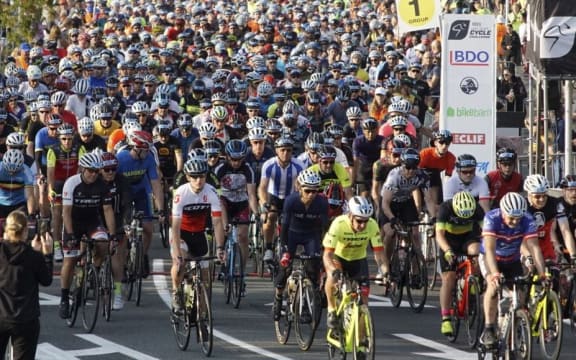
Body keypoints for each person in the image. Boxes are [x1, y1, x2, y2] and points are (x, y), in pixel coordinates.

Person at [478, 192, 547, 346]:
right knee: (493, 286)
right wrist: (495, 274)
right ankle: (489, 328)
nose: (515, 221)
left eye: (518, 218)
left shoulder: (527, 219)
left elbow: (535, 248)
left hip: (512, 258)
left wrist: (542, 273)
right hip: (491, 258)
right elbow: (489, 249)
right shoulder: (491, 218)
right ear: (502, 212)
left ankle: (513, 324)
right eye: (511, 218)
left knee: (520, 294)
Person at [59, 153, 116, 319]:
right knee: (70, 260)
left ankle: (94, 271)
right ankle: (64, 297)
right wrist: (69, 235)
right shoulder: (72, 183)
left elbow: (107, 210)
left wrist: (112, 235)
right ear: (83, 169)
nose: (93, 174)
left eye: (96, 171)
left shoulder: (102, 185)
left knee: (103, 243)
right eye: (90, 170)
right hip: (74, 223)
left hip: (92, 221)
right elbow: (66, 213)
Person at [273, 170, 329, 321]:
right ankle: (278, 298)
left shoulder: (322, 203)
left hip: (311, 235)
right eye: (308, 190)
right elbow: (283, 228)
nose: (311, 194)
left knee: (313, 269)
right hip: (291, 234)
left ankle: (306, 304)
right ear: (300, 188)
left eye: (315, 191)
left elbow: (326, 229)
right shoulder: (291, 201)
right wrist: (285, 251)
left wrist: (325, 250)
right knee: (285, 267)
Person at [171, 158, 226, 312]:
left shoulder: (211, 192)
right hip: (182, 233)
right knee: (180, 264)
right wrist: (176, 253)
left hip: (199, 234)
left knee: (205, 278)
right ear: (188, 177)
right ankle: (176, 291)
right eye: (194, 177)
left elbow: (217, 222)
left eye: (202, 176)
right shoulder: (181, 194)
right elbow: (175, 227)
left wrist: (220, 248)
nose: (198, 180)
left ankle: (202, 317)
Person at [323, 196, 386, 328]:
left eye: (366, 221)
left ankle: (362, 341)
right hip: (338, 258)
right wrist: (332, 270)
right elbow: (327, 254)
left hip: (358, 260)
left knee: (363, 301)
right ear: (350, 215)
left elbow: (379, 253)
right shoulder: (338, 224)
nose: (363, 225)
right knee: (332, 278)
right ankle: (331, 310)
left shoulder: (372, 225)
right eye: (359, 221)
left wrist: (386, 272)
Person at [0, 210, 53, 360]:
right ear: (25, 231)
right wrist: (47, 255)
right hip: (26, 318)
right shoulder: (33, 256)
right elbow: (46, 280)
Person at [379, 148, 436, 282]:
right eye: (407, 167)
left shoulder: (422, 176)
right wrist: (392, 218)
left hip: (406, 202)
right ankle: (387, 267)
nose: (410, 171)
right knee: (390, 233)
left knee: (415, 235)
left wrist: (433, 217)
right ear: (402, 165)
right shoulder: (394, 176)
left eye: (413, 168)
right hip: (389, 204)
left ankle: (415, 273)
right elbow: (385, 203)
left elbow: (428, 199)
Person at [116, 130, 164, 278]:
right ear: (136, 148)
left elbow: (155, 184)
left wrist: (161, 210)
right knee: (124, 234)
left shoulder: (148, 158)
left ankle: (142, 256)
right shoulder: (121, 159)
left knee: (148, 228)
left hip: (141, 191)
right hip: (123, 192)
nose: (148, 152)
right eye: (145, 150)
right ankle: (123, 265)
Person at [436, 191, 484, 336]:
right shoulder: (445, 208)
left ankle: (473, 281)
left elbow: (485, 231)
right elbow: (439, 234)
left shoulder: (477, 208)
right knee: (449, 278)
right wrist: (447, 251)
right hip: (448, 240)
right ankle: (445, 318)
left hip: (467, 238)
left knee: (476, 252)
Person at [258, 136, 305, 262]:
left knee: (292, 220)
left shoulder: (299, 165)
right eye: (282, 150)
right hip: (273, 196)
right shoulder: (269, 165)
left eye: (289, 150)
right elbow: (262, 187)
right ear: (277, 151)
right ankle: (268, 248)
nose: (285, 153)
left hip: (290, 196)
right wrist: (264, 203)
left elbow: (301, 187)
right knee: (271, 217)